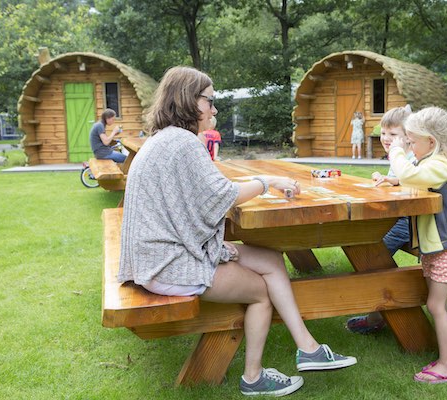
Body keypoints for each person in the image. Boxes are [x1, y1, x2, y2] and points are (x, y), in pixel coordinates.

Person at [118, 66, 356, 397]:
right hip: (167, 263)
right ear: (190, 99)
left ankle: (309, 349)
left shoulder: (166, 138)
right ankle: (254, 378)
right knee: (260, 291)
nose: (214, 109)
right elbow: (220, 195)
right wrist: (266, 182)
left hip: (156, 254)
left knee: (272, 259)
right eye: (210, 101)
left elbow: (208, 191)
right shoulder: (184, 142)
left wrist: (262, 184)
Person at [389, 106, 447, 384]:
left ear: (430, 142)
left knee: (436, 306)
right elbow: (412, 179)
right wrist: (393, 179)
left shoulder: (441, 164)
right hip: (437, 249)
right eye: (406, 141)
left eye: (412, 142)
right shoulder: (433, 161)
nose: (408, 146)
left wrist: (396, 152)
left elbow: (413, 176)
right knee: (437, 305)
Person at [345, 105, 413, 335]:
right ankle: (377, 313)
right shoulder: (400, 155)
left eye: (393, 135)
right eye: (384, 133)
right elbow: (400, 181)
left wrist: (395, 181)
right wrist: (387, 179)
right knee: (361, 242)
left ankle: (380, 314)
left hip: (408, 223)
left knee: (372, 258)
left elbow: (412, 183)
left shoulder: (412, 159)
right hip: (395, 217)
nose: (386, 138)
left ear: (409, 137)